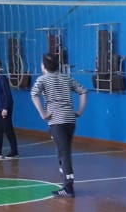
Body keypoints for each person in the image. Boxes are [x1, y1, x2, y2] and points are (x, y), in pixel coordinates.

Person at [31, 53, 87, 197]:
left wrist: (43, 114)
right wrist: (80, 111)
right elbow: (83, 91)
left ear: (44, 66)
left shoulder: (42, 79)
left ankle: (68, 187)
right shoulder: (66, 77)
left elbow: (34, 94)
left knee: (64, 152)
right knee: (62, 150)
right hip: (70, 121)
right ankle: (65, 176)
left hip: (57, 121)